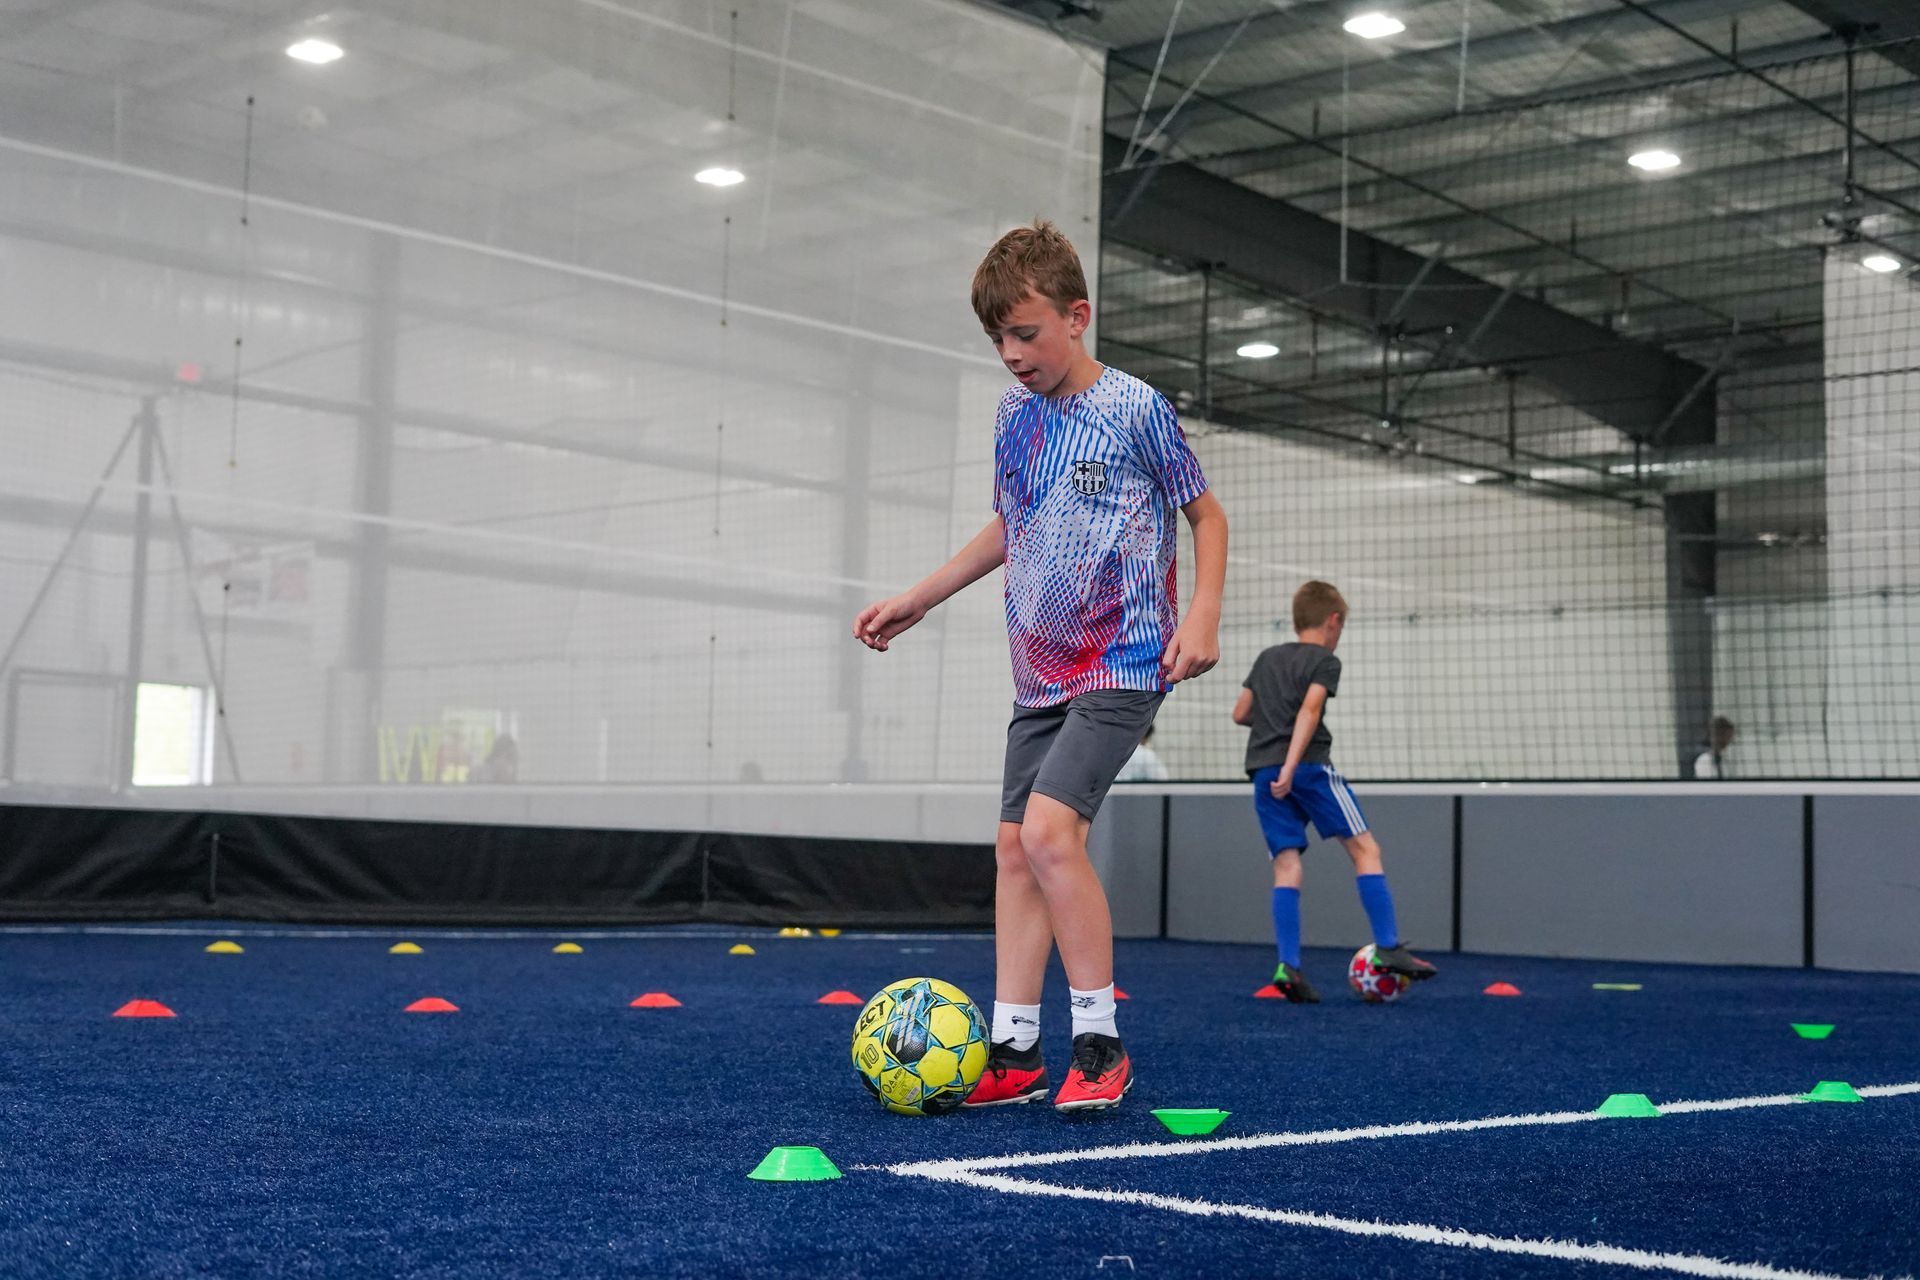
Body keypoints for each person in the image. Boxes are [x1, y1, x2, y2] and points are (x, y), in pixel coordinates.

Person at [854, 220, 1227, 1112]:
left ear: (1077, 316)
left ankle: (1098, 1043)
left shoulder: (1135, 409)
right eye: (997, 340)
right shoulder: (1013, 416)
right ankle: (1014, 1052)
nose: (1011, 355)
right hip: (1039, 670)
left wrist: (1203, 612)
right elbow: (1010, 524)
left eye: (1026, 333)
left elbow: (1205, 516)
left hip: (1126, 657)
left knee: (1053, 835)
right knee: (1013, 850)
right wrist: (921, 596)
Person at [1231, 581, 1435, 1003]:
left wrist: (1274, 740)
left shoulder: (1267, 658)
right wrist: (1291, 763)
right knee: (1365, 849)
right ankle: (1390, 947)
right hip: (1306, 768)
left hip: (1262, 770)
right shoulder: (1325, 660)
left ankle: (1288, 966)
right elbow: (1310, 709)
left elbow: (1241, 713)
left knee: (1286, 866)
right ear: (1333, 621)